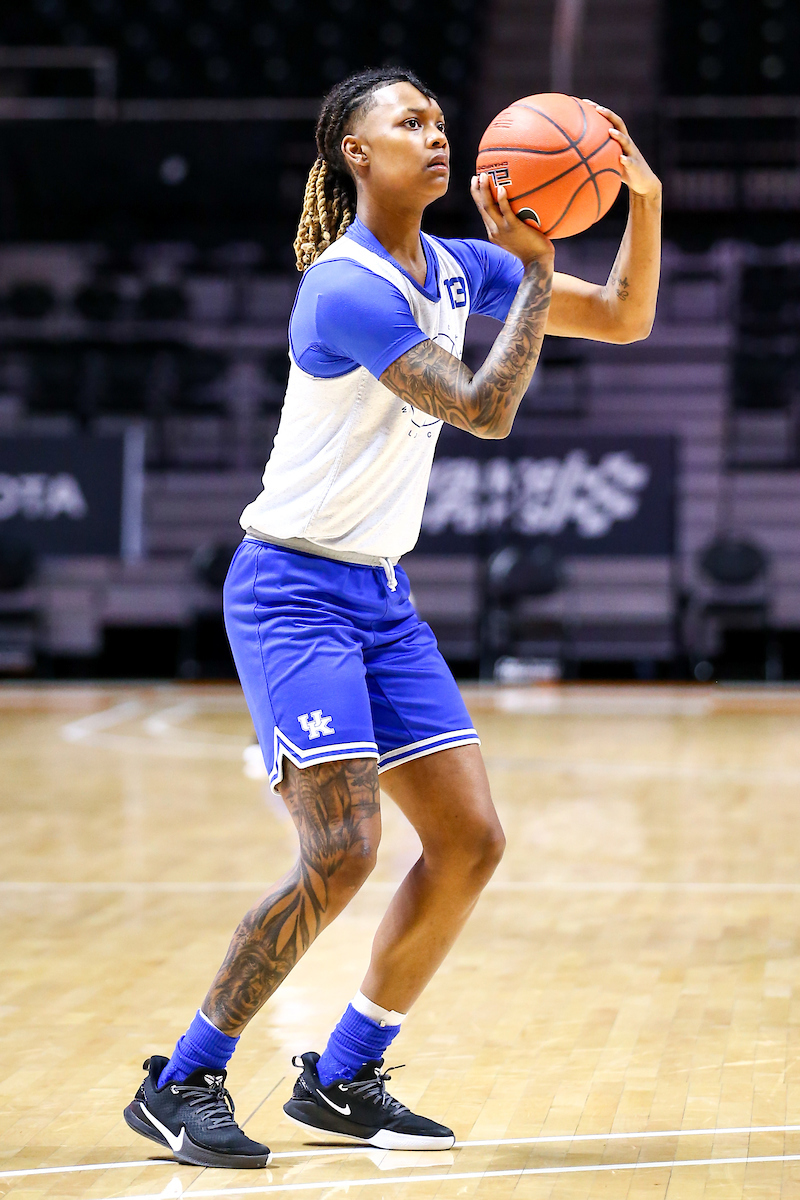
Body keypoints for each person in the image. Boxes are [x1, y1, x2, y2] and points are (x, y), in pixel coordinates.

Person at [124, 66, 662, 1169]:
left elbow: (624, 315)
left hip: (375, 593)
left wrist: (637, 201)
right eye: (404, 121)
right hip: (290, 590)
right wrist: (536, 262)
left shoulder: (461, 270)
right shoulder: (345, 286)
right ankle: (183, 1078)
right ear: (354, 156)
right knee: (343, 849)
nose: (432, 133)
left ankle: (344, 1073)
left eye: (438, 119)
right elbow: (481, 410)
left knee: (468, 841)